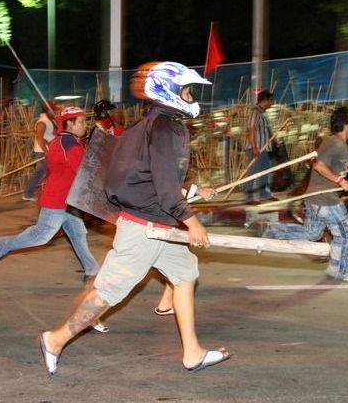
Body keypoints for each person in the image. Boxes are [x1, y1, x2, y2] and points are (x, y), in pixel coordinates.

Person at [38, 62, 231, 376]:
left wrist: (189, 192)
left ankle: (192, 352)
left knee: (185, 274)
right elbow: (164, 182)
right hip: (145, 230)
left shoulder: (145, 125)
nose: (191, 95)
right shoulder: (169, 127)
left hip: (155, 223)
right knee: (109, 293)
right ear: (170, 92)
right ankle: (55, 340)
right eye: (186, 89)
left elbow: (145, 175)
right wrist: (190, 219)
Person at [0, 106, 100, 280]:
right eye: (82, 122)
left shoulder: (62, 141)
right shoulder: (69, 145)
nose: (85, 125)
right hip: (58, 201)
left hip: (68, 199)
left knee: (78, 234)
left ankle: (92, 270)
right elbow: (84, 172)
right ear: (70, 124)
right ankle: (0, 245)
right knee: (40, 236)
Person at [259, 107, 348, 282]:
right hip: (326, 200)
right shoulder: (338, 144)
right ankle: (339, 271)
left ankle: (274, 229)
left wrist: (343, 174)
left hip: (314, 198)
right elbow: (319, 166)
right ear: (346, 125)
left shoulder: (330, 141)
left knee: (312, 234)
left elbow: (326, 165)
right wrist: (341, 181)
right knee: (345, 234)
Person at [23, 101, 61, 201]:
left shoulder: (49, 120)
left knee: (47, 172)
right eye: (53, 110)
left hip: (49, 150)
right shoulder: (42, 122)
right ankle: (28, 193)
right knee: (41, 172)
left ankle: (51, 192)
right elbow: (39, 138)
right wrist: (46, 151)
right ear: (48, 110)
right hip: (42, 151)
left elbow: (48, 134)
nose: (54, 112)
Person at [244, 90, 277, 204]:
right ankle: (249, 198)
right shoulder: (255, 112)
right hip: (257, 148)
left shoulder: (262, 114)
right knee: (253, 173)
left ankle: (264, 195)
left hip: (264, 149)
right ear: (265, 100)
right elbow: (251, 130)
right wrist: (254, 147)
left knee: (265, 172)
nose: (272, 103)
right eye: (271, 100)